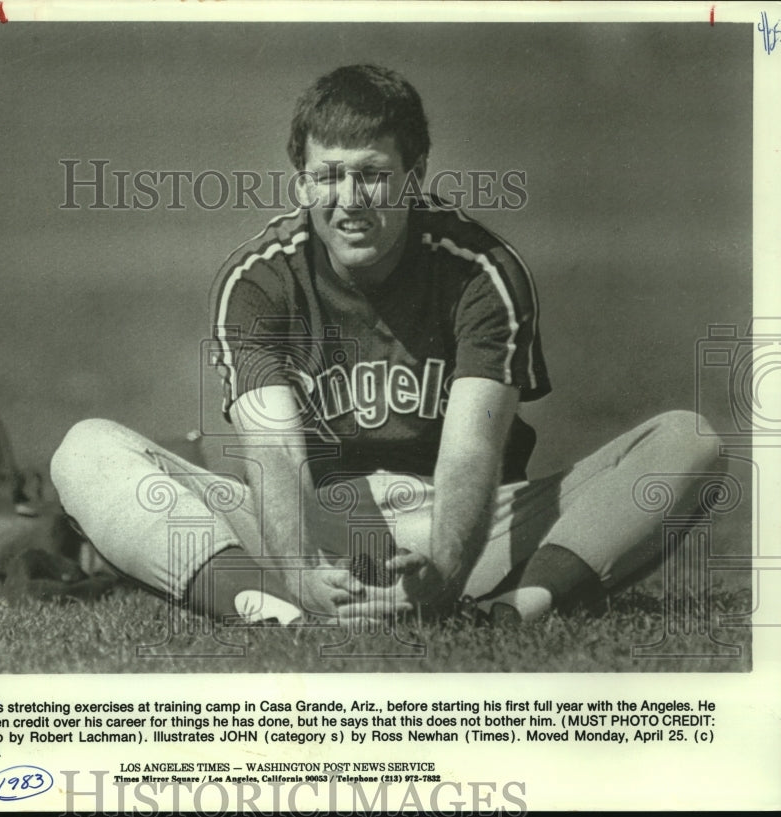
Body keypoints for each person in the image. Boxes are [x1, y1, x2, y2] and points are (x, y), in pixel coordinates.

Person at [51, 64, 721, 627]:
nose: (349, 200)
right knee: (86, 450)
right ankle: (273, 616)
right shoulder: (258, 280)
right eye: (329, 175)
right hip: (316, 525)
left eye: (371, 174)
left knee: (690, 441)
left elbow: (472, 453)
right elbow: (277, 456)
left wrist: (445, 566)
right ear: (301, 180)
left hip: (467, 523)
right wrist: (301, 572)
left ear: (415, 172)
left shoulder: (480, 271)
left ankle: (509, 611)